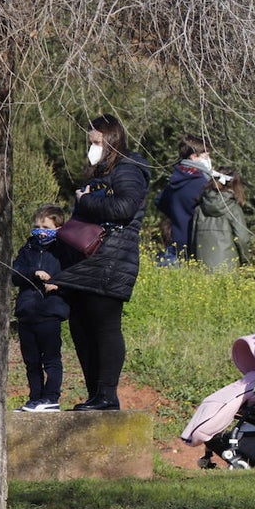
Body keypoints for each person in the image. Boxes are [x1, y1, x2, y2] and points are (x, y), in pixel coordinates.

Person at [49, 114, 151, 411]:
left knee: (105, 325)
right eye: (90, 142)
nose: (92, 147)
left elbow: (124, 207)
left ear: (112, 139)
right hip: (89, 260)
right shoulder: (101, 172)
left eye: (97, 142)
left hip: (112, 259)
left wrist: (84, 200)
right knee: (81, 326)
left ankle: (107, 395)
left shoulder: (128, 168)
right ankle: (95, 394)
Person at [10, 203, 73, 412]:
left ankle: (51, 398)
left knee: (51, 359)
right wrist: (33, 273)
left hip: (50, 312)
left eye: (46, 227)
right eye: (37, 226)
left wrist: (58, 284)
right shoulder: (28, 247)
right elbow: (14, 273)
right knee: (31, 361)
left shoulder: (65, 250)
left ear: (57, 227)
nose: (41, 231)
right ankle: (35, 398)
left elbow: (73, 276)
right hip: (27, 311)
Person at [155, 134, 213, 264]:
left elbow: (159, 201)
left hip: (175, 239)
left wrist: (176, 215)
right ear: (194, 157)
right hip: (195, 242)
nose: (209, 160)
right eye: (206, 156)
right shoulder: (201, 182)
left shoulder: (177, 176)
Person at [191, 166, 252, 271]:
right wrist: (246, 261)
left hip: (202, 270)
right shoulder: (234, 209)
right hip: (228, 270)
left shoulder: (199, 209)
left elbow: (193, 240)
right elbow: (242, 239)